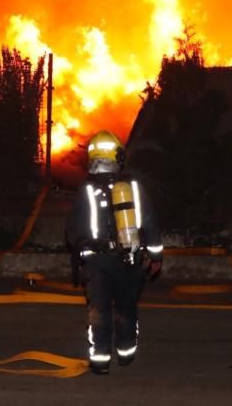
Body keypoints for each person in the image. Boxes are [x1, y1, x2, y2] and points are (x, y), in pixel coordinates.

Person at [66, 130, 164, 375]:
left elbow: (72, 230)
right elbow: (149, 223)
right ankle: (126, 352)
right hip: (130, 259)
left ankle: (100, 361)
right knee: (126, 307)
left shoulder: (86, 190)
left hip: (97, 262)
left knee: (99, 309)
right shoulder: (134, 188)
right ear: (118, 157)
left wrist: (82, 251)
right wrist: (155, 256)